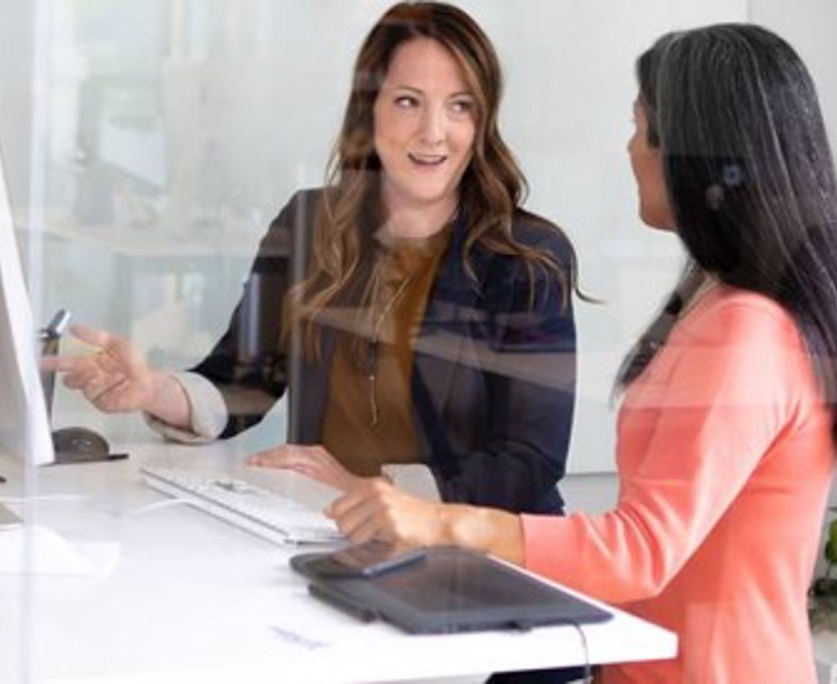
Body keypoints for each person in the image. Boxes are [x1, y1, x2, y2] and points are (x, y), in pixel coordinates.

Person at [295, 22, 837, 683]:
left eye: (642, 127)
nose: (630, 146)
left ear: (696, 156)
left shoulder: (747, 330)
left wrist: (440, 522)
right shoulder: (720, 303)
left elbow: (639, 548)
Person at [51, 6, 578, 546]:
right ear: (367, 111)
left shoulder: (527, 257)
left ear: (482, 121)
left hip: (472, 557)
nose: (433, 132)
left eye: (459, 106)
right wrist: (152, 388)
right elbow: (243, 379)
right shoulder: (308, 226)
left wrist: (375, 490)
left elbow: (529, 464)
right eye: (407, 102)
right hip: (333, 534)